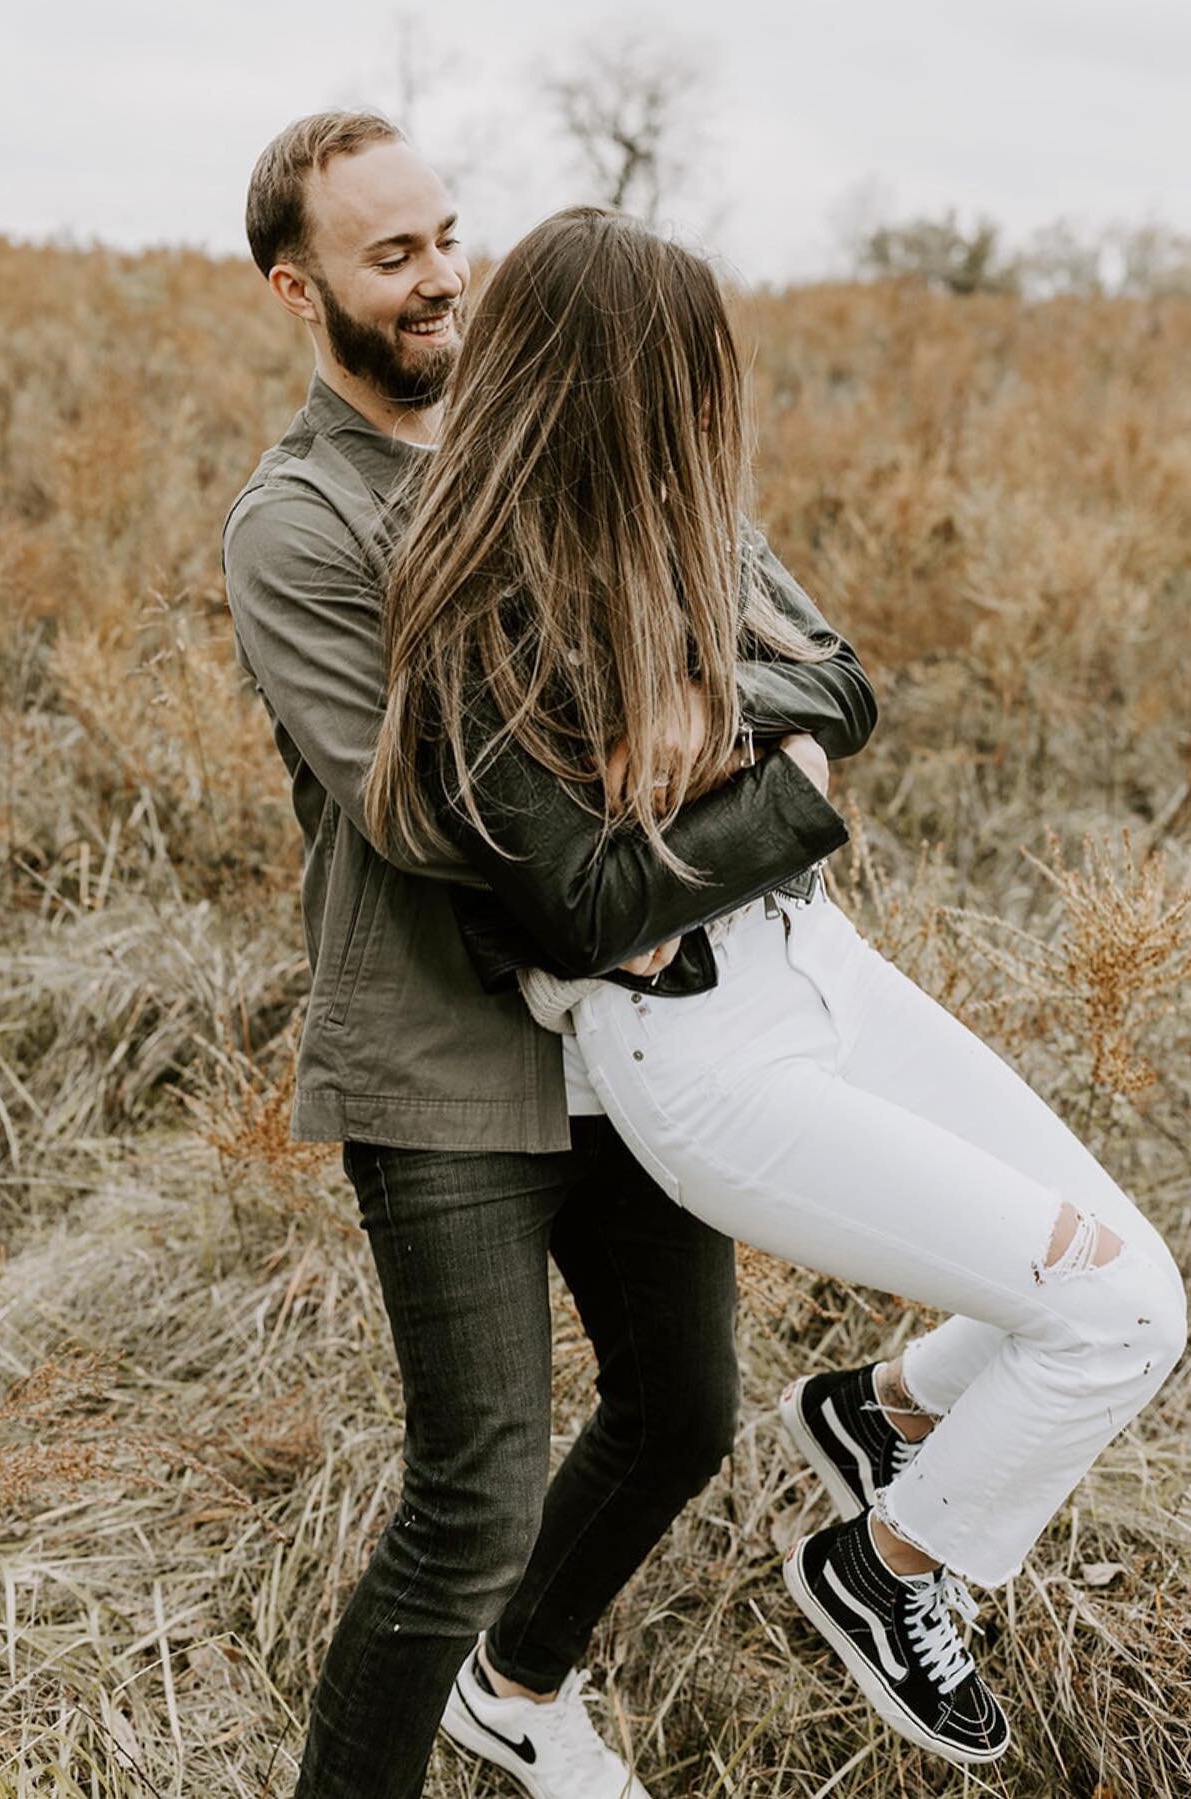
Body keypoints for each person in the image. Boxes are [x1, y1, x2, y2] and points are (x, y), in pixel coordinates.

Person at [366, 204, 1188, 1770]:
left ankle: (879, 1415)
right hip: (700, 1058)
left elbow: (845, 685)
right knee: (1117, 1310)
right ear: (618, 383)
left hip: (820, 963)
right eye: (690, 378)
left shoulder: (693, 530)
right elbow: (588, 904)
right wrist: (768, 783)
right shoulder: (478, 601)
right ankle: (883, 1569)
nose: (711, 413)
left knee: (1140, 1284)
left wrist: (697, 702)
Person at [222, 115, 875, 1798]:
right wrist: (688, 794)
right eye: (391, 255)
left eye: (449, 232)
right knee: (476, 1496)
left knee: (685, 1413)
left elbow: (823, 671)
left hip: (639, 1046)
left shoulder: (577, 441)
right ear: (300, 291)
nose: (444, 275)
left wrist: (703, 722)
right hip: (444, 1060)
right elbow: (423, 814)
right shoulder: (298, 527)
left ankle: (516, 1690)